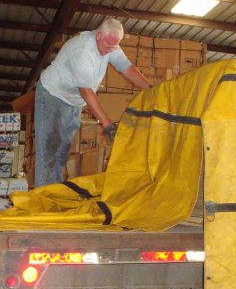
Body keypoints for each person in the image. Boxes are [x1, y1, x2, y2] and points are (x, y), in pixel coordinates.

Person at [34, 18, 152, 187]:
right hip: (52, 95)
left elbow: (127, 67)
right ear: (98, 36)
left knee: (61, 154)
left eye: (114, 46)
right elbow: (86, 91)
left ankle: (51, 195)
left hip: (73, 102)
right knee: (48, 153)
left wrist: (150, 89)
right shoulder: (83, 50)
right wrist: (107, 124)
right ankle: (42, 205)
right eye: (109, 46)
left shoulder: (110, 45)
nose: (111, 50)